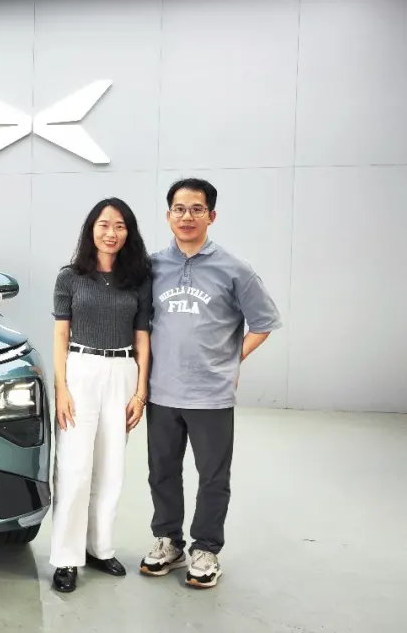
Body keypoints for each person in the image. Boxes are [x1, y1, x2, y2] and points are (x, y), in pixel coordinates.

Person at [139, 178, 282, 589]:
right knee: (162, 472)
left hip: (211, 395)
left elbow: (264, 323)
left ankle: (206, 549)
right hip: (162, 391)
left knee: (213, 477)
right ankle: (169, 541)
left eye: (197, 209)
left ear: (211, 216)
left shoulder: (235, 269)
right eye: (179, 209)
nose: (187, 217)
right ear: (168, 215)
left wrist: (232, 359)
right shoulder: (151, 267)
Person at [49, 197, 153, 593]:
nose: (112, 233)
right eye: (104, 225)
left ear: (129, 233)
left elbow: (142, 339)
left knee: (111, 468)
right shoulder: (71, 277)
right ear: (91, 229)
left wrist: (140, 392)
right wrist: (61, 388)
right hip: (81, 370)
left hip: (122, 372)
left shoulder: (138, 279)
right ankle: (66, 558)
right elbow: (61, 335)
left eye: (120, 226)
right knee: (74, 468)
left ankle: (99, 548)